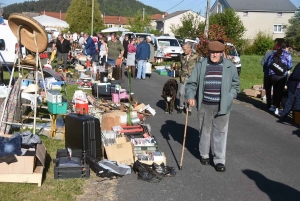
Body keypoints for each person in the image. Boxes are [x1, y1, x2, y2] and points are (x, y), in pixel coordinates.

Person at [185, 41, 240, 172]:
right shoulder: (201, 64)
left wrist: (230, 96)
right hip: (205, 104)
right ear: (208, 52)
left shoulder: (229, 66)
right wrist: (191, 96)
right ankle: (204, 154)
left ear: (222, 53)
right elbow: (191, 83)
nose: (214, 55)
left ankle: (219, 160)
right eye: (212, 52)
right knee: (204, 131)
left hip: (222, 106)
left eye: (217, 52)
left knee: (220, 132)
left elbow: (236, 85)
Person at [266, 42, 293, 115]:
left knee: (275, 90)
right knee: (279, 92)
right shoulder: (287, 55)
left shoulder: (273, 54)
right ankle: (277, 108)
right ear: (286, 47)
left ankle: (273, 106)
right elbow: (290, 66)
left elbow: (269, 64)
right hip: (282, 76)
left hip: (273, 75)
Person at [178, 42, 201, 116]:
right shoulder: (182, 56)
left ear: (189, 48)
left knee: (191, 94)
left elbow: (199, 67)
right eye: (183, 49)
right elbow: (180, 65)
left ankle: (189, 109)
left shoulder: (196, 56)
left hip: (192, 77)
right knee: (181, 93)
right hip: (184, 77)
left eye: (184, 49)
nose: (183, 51)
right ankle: (181, 107)